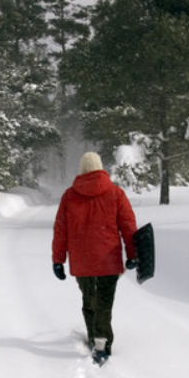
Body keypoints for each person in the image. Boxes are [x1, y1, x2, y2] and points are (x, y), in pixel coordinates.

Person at [52, 152, 138, 365]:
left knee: (89, 299)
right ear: (100, 168)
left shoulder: (69, 196)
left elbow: (60, 231)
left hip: (82, 260)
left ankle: (95, 337)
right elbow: (128, 226)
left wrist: (58, 260)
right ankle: (101, 341)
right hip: (109, 259)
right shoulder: (116, 193)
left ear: (81, 170)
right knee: (104, 302)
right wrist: (134, 254)